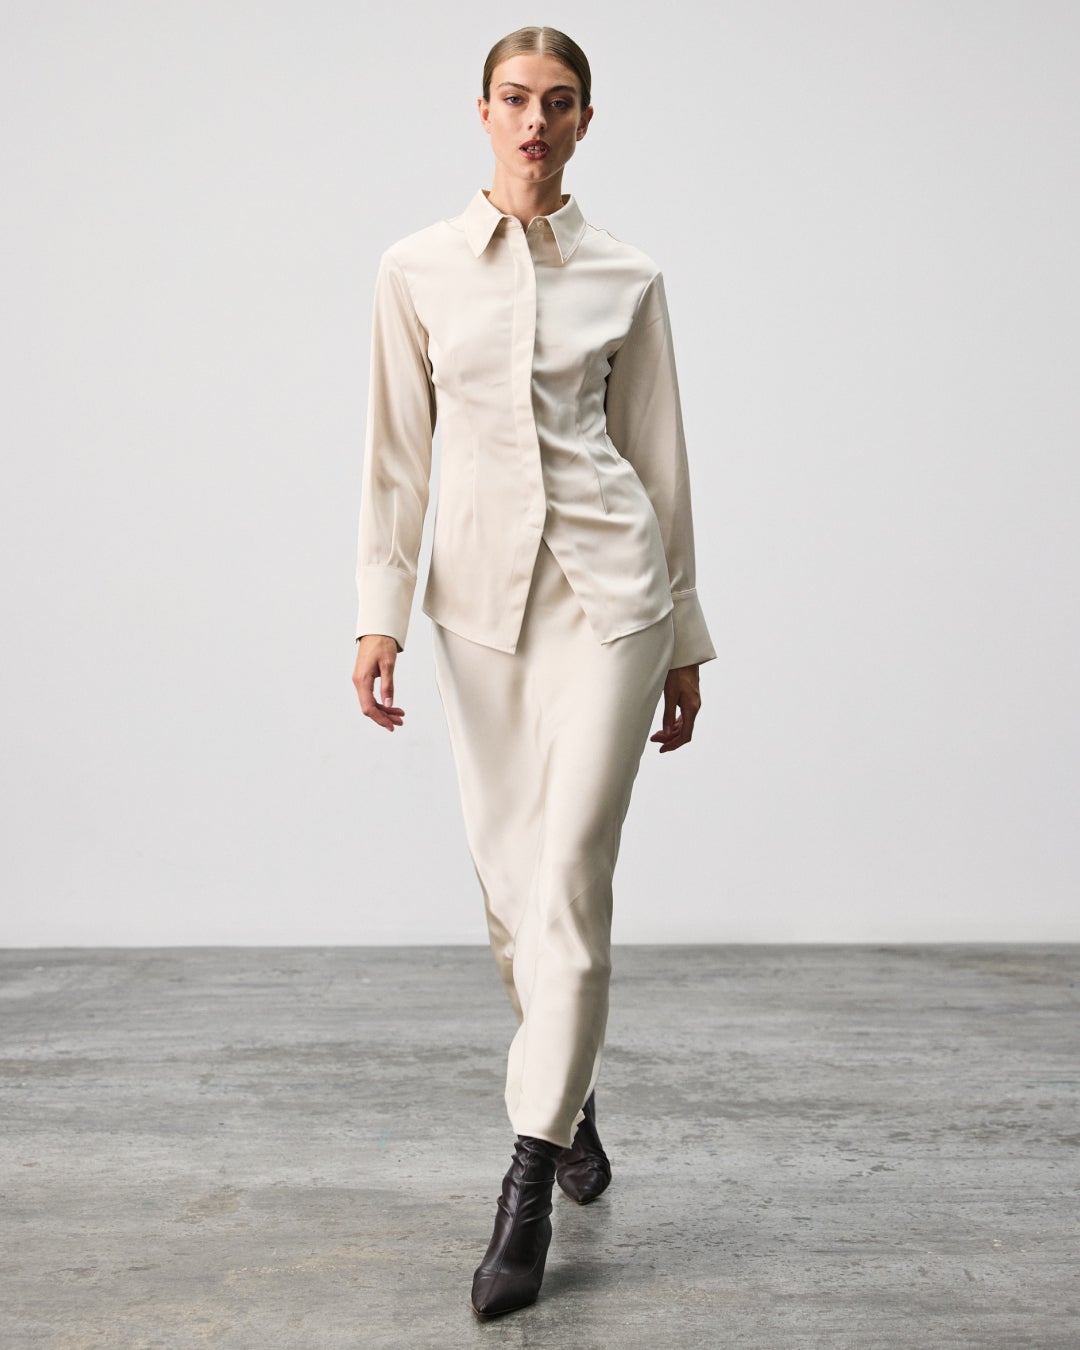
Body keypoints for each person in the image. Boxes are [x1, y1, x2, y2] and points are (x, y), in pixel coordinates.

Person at [350, 25, 716, 1320]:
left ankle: (524, 1189)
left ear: (586, 122)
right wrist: (379, 613)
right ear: (483, 110)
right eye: (516, 99)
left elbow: (660, 462)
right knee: (513, 900)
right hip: (480, 615)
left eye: (560, 103)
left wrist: (684, 636)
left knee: (567, 881)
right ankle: (573, 1086)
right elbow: (396, 457)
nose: (536, 122)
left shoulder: (630, 275)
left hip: (613, 605)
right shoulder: (415, 270)